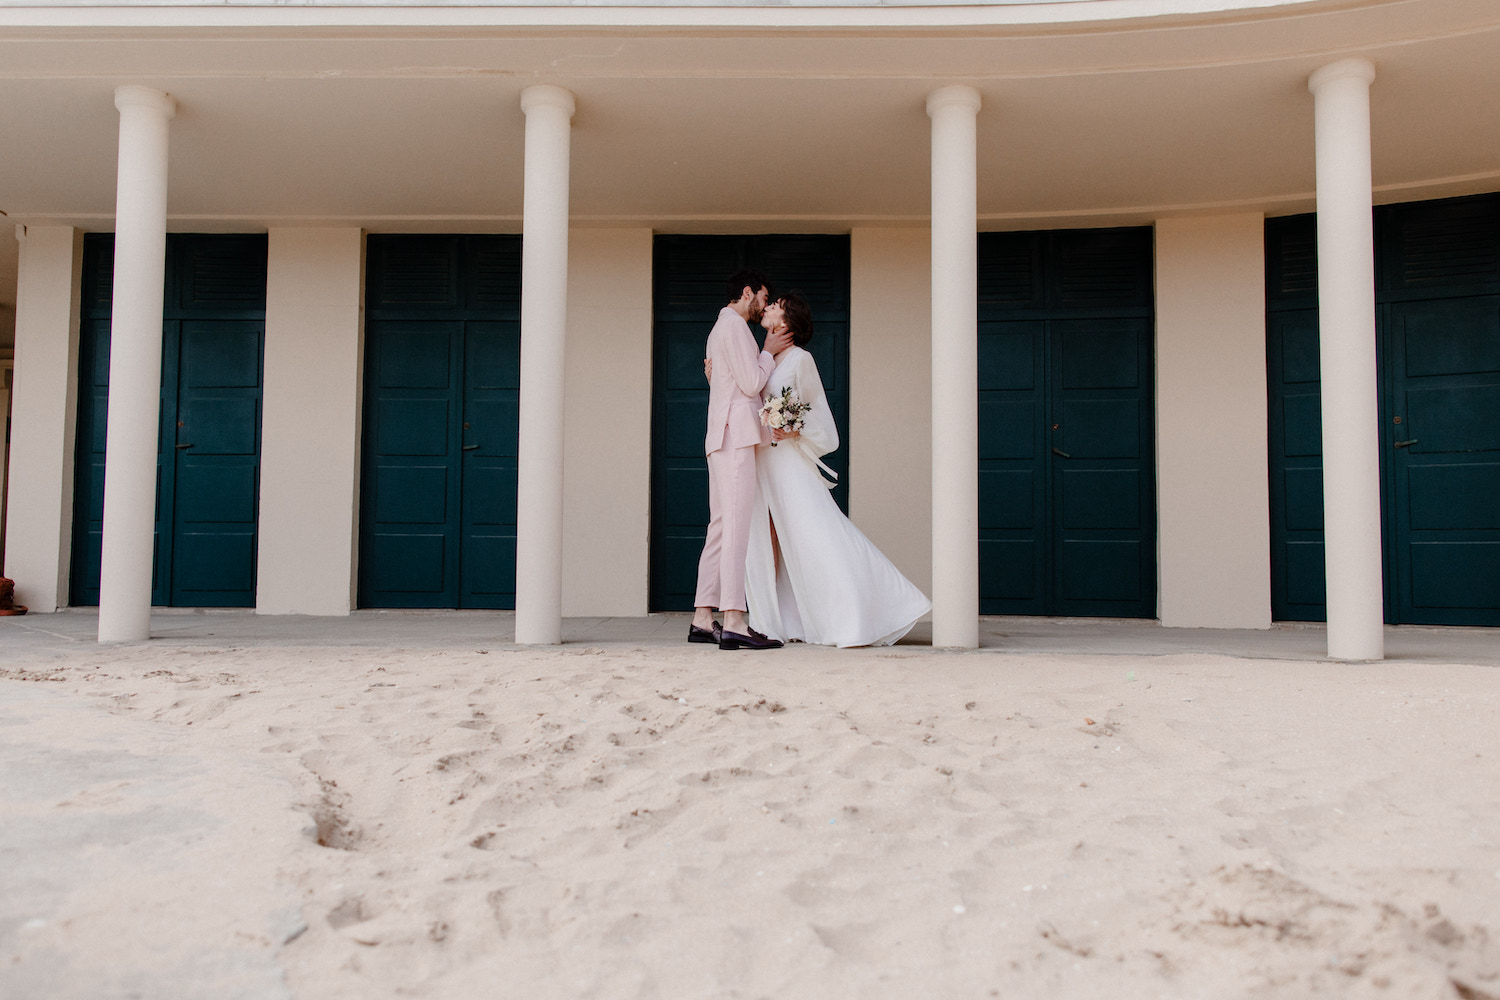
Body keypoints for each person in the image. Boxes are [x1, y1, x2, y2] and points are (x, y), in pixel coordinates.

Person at [744, 292, 932, 647]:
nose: (768, 306)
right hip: (762, 460)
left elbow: (822, 420)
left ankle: (872, 612)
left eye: (776, 304)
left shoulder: (801, 359)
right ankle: (780, 622)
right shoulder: (762, 359)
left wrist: (795, 428)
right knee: (771, 541)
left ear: (786, 322)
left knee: (817, 534)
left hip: (787, 462)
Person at [690, 269, 794, 651]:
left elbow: (731, 383)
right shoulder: (734, 327)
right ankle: (733, 619)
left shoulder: (720, 329)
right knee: (734, 527)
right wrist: (767, 352)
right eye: (763, 298)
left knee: (720, 526)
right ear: (747, 292)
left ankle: (703, 617)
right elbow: (751, 384)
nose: (765, 305)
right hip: (735, 438)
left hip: (721, 436)